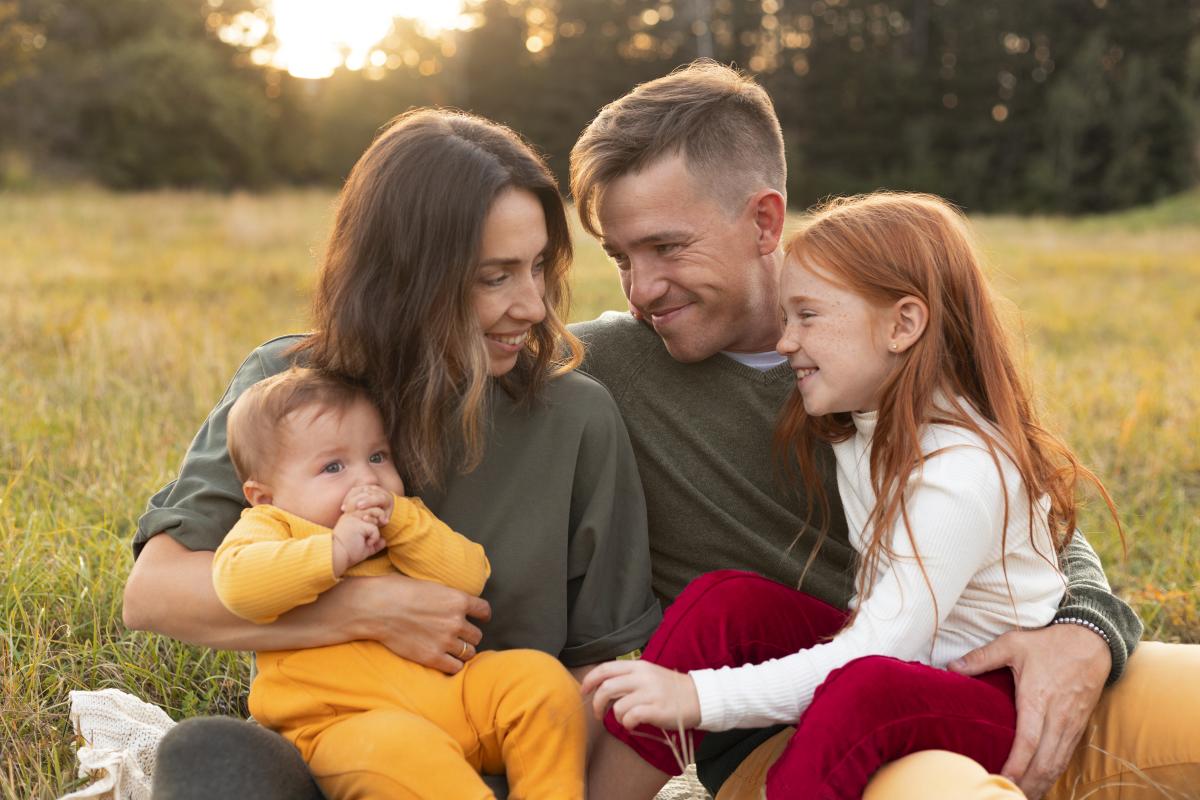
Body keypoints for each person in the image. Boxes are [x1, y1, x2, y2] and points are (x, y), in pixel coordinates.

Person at [567, 61, 1199, 799]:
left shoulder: (882, 371)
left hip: (971, 669)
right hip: (811, 716)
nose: (641, 290)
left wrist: (1085, 630)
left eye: (668, 248)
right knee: (879, 722)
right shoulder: (605, 363)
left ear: (765, 221)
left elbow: (1032, 518)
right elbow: (440, 358)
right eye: (619, 256)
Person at [123, 109, 661, 799]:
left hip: (498, 766)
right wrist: (369, 608)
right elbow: (155, 593)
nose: (531, 305)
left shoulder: (578, 418)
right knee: (209, 754)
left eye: (536, 268)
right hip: (336, 759)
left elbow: (592, 674)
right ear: (406, 278)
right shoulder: (291, 390)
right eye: (494, 277)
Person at [214, 366, 584, 798]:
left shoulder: (402, 519)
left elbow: (470, 576)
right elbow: (238, 586)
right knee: (403, 754)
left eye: (377, 456)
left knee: (541, 682)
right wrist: (333, 553)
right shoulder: (273, 525)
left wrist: (403, 522)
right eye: (333, 467)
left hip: (456, 695)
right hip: (348, 724)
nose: (367, 479)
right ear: (265, 495)